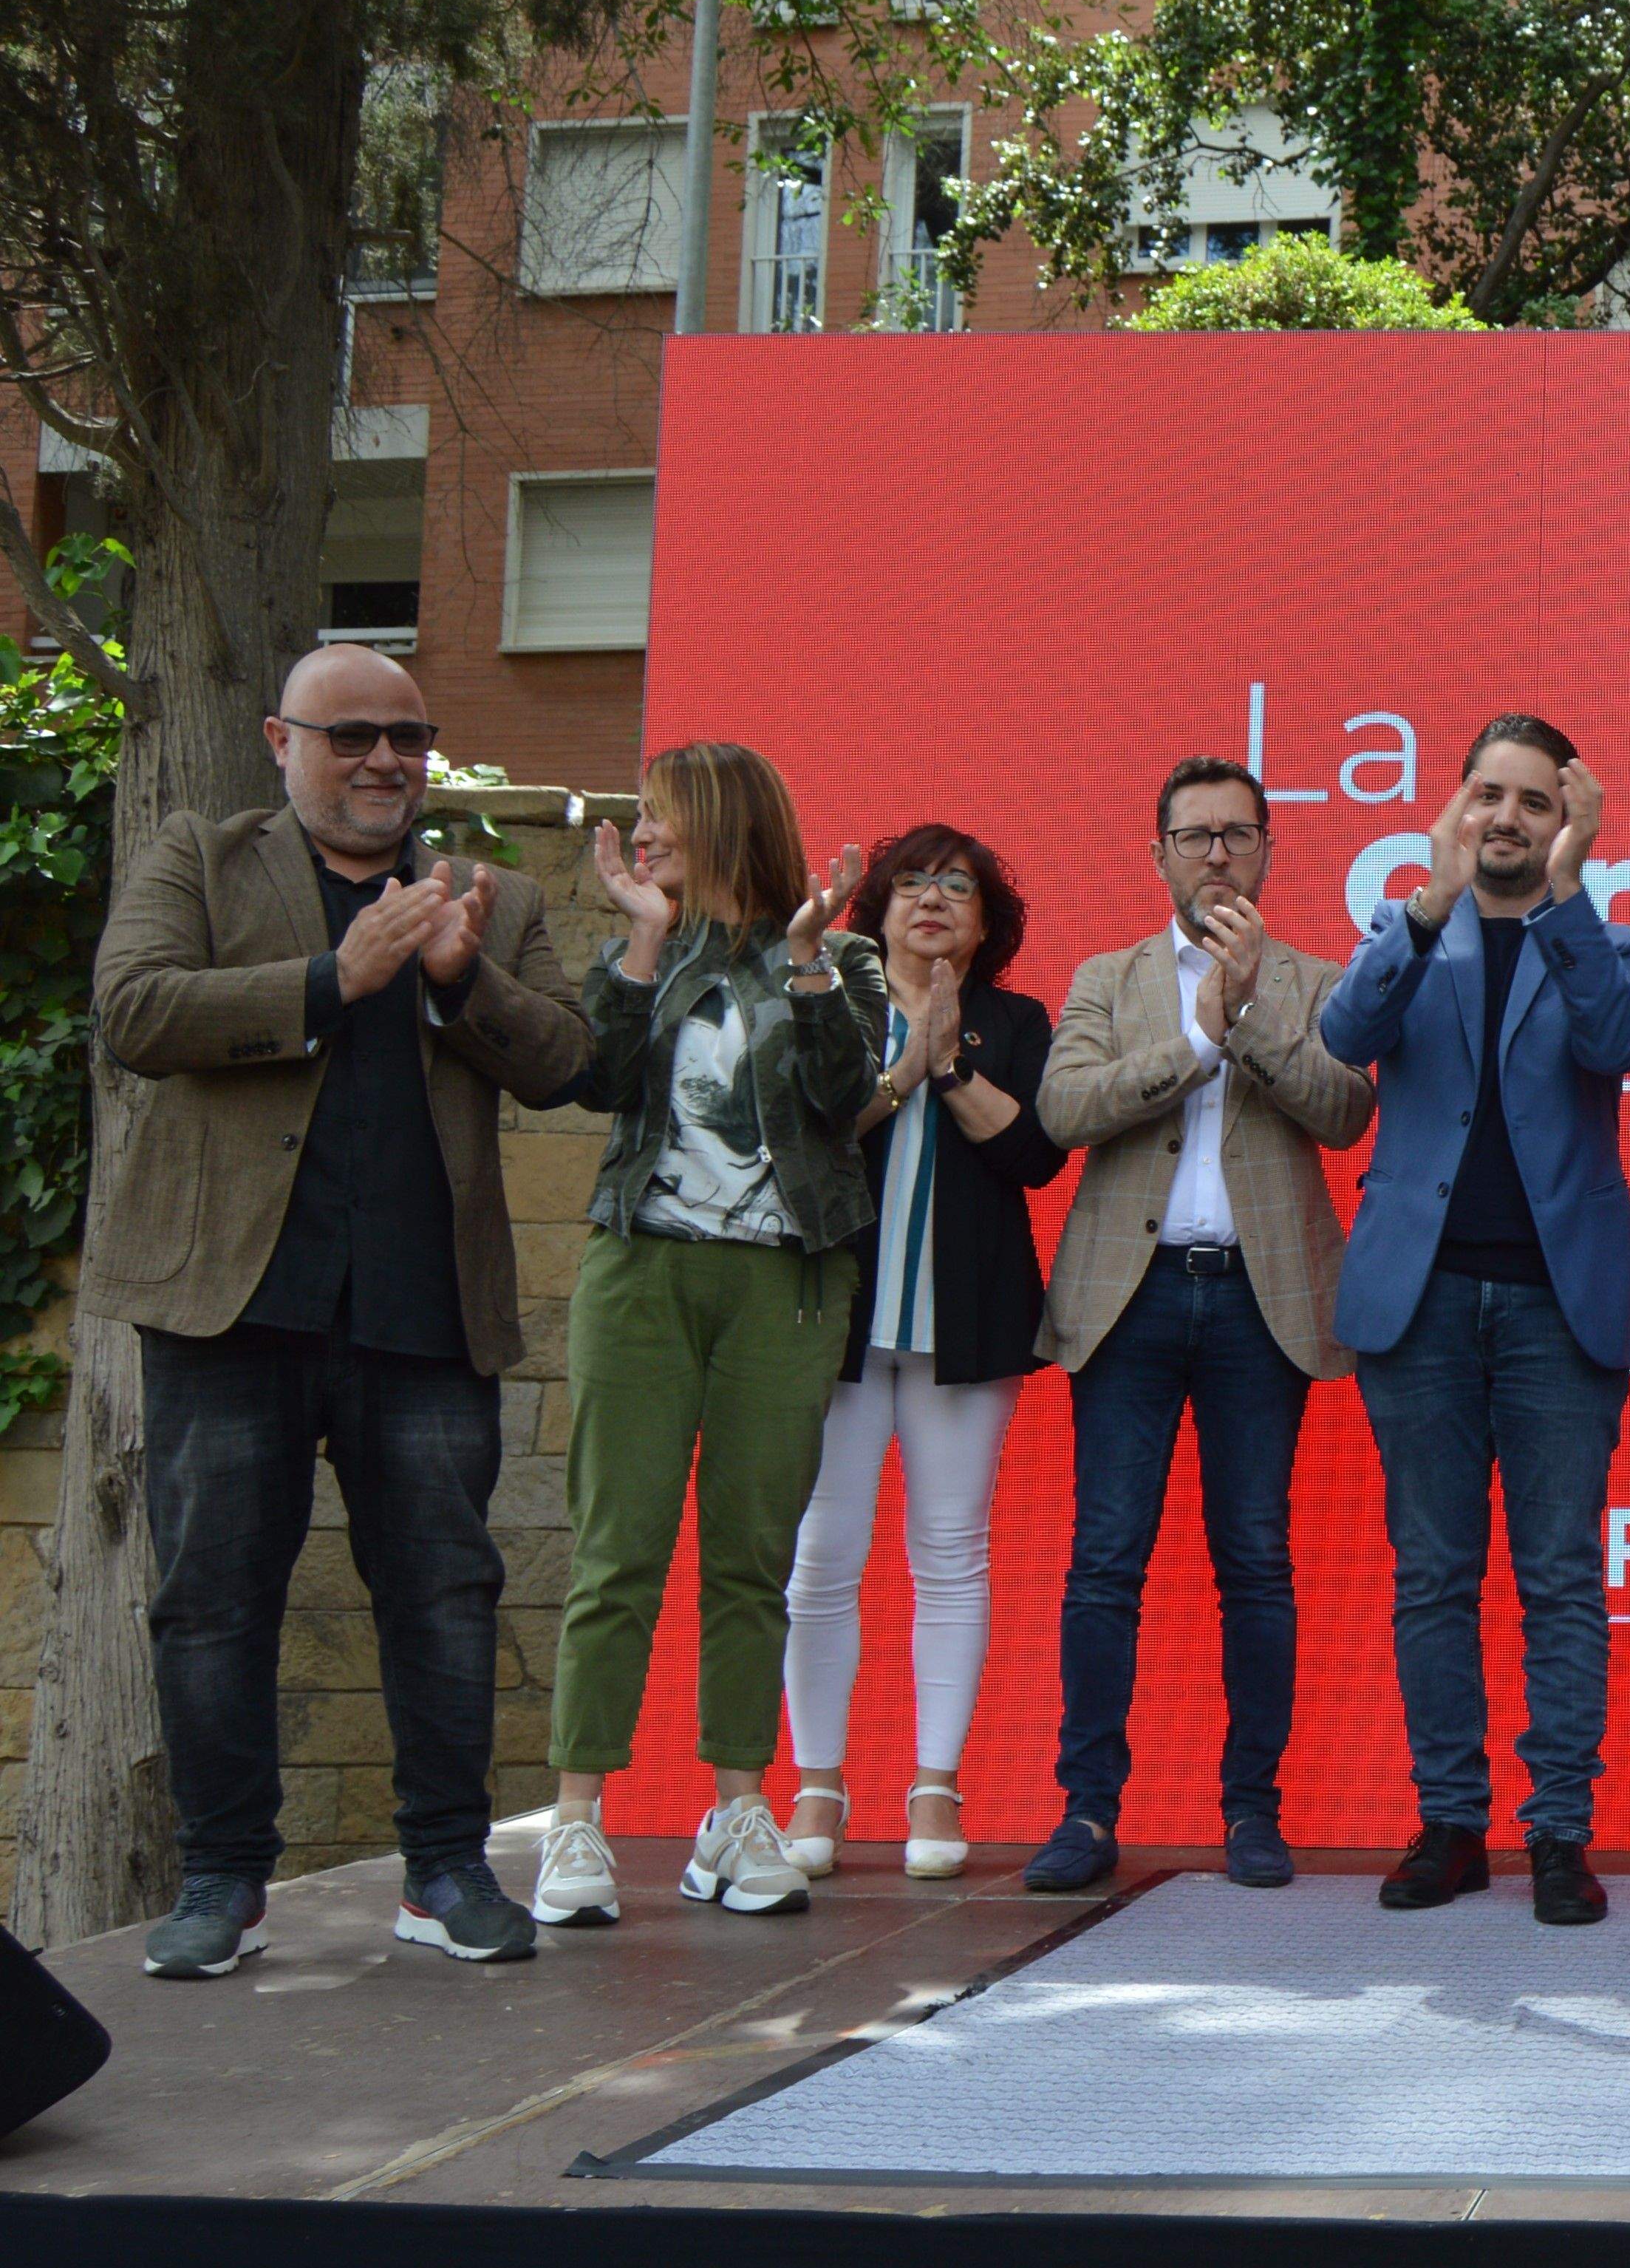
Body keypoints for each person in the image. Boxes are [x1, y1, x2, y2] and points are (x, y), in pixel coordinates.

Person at [92, 647, 590, 1977]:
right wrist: (333, 978)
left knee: (444, 1593)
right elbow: (133, 1011)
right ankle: (221, 1881)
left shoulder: (493, 894)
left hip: (423, 1312)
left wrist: (453, 976)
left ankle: (443, 1870)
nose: (385, 758)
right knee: (212, 1601)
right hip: (229, 1304)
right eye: (353, 734)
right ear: (281, 738)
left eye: (409, 735)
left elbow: (564, 1062)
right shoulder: (199, 859)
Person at [533, 743, 884, 1932]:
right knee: (615, 1548)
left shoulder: (837, 958)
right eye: (638, 818)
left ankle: (739, 1812)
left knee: (751, 1557)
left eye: (661, 817)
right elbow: (599, 1080)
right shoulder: (644, 952)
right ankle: (576, 1818)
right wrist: (637, 938)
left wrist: (805, 963)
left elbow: (846, 1100)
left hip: (783, 1288)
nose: (643, 835)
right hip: (642, 1273)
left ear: (721, 821)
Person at [1320, 716, 1630, 1927]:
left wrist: (1567, 893)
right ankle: (1448, 1819)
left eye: (1532, 801)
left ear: (1566, 817)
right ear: (1455, 807)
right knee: (1434, 1572)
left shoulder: (1611, 937)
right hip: (1417, 1303)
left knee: (1562, 1574)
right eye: (1488, 796)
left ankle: (1559, 1831)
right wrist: (1423, 904)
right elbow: (1344, 1038)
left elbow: (1621, 1053)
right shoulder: (1405, 933)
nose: (1507, 818)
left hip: (1558, 1308)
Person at [1025, 756, 1374, 1894]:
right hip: (1126, 1299)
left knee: (1256, 1560)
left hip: (1257, 1299)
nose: (1216, 852)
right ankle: (1086, 1811)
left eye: (1236, 833)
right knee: (1104, 1561)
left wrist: (1251, 1015)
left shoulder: (1320, 980)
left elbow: (1344, 1108)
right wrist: (1193, 1042)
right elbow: (1064, 1110)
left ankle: (1251, 1811)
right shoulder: (1107, 977)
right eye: (1194, 835)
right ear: (1158, 854)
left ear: (1269, 849)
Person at [775, 826, 1064, 1882]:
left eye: (959, 888)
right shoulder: (830, 1005)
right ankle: (817, 1780)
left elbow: (1036, 1154)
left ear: (987, 924)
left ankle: (936, 1783)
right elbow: (806, 1135)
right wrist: (900, 1061)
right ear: (877, 908)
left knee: (951, 1554)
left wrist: (946, 1065)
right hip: (833, 1320)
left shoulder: (1016, 1021)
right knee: (821, 1556)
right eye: (911, 884)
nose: (932, 900)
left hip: (967, 1320)